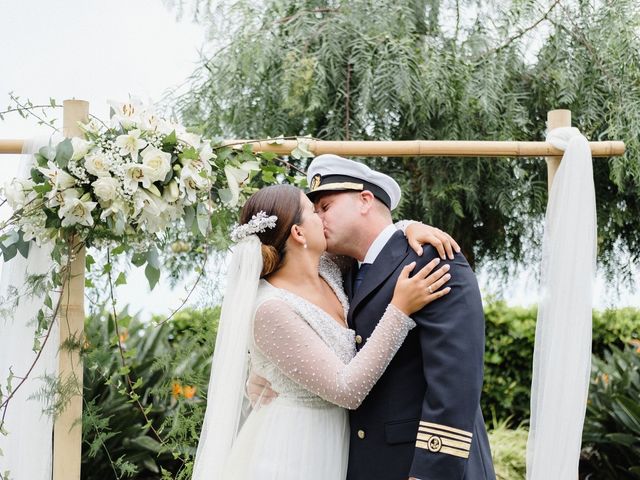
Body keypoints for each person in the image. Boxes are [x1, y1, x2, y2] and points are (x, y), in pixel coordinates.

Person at [251, 154, 496, 480]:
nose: (319, 219)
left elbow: (455, 385)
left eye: (326, 207)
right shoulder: (337, 271)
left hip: (424, 466)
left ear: (365, 200)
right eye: (315, 211)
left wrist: (431, 473)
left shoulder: (431, 260)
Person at [191, 183, 454, 480]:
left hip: (338, 442)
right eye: (313, 211)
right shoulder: (270, 308)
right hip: (294, 449)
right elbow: (347, 390)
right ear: (299, 233)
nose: (322, 217)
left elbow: (370, 239)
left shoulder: (328, 269)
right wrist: (399, 310)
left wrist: (408, 226)